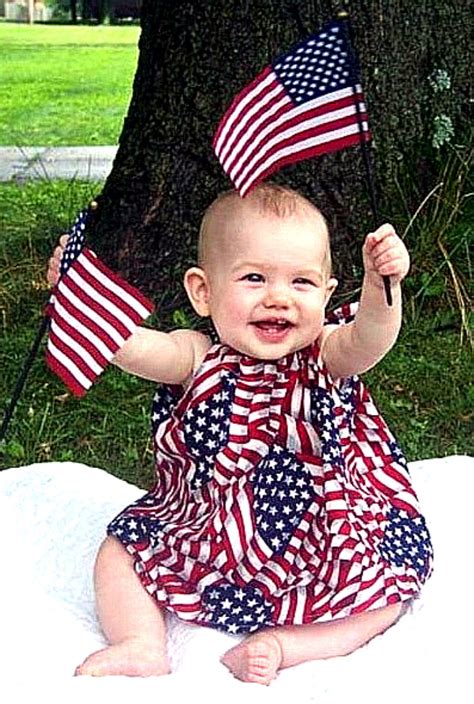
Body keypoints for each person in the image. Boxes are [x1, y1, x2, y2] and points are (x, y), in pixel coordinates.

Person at [47, 183, 433, 685]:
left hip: (323, 532)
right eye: (254, 278)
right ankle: (140, 643)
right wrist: (80, 301)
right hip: (207, 528)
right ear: (202, 292)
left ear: (328, 294)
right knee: (120, 553)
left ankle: (287, 645)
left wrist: (384, 284)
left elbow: (372, 340)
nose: (279, 298)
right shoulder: (195, 355)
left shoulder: (325, 353)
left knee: (386, 592)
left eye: (301, 283)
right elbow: (132, 348)